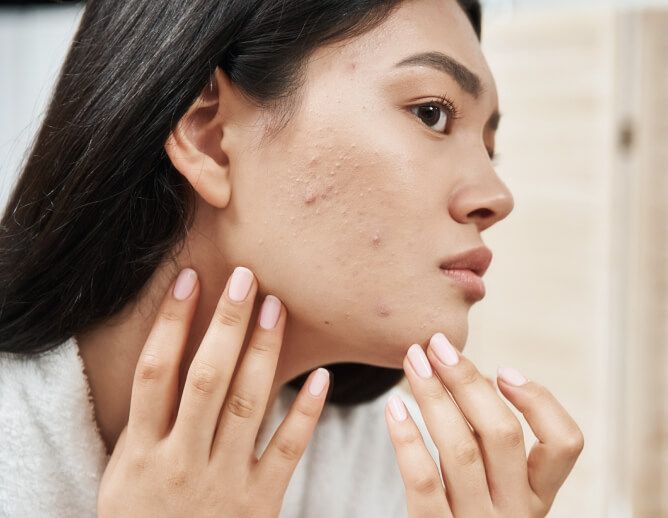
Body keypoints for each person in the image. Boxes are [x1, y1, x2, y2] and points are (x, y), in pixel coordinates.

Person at [0, 0, 584, 516]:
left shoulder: (403, 478)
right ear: (209, 136)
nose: (495, 198)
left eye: (488, 149)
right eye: (432, 113)